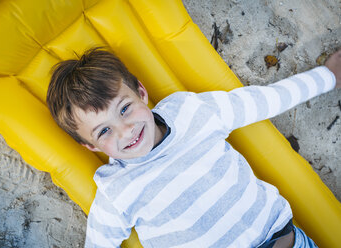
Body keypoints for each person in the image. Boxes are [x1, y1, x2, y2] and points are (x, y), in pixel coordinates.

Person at [46, 47, 341, 248]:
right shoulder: (115, 192)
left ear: (141, 93)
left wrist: (327, 76)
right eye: (105, 131)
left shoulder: (190, 111)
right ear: (89, 145)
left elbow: (261, 100)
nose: (126, 131)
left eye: (124, 109)